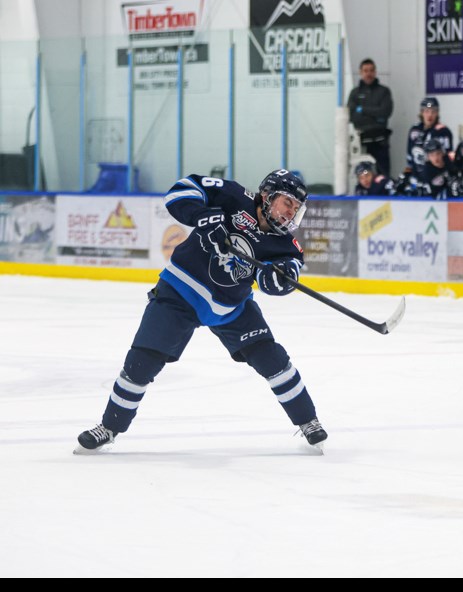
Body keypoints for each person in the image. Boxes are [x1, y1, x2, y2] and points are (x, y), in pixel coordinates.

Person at [75, 170, 327, 453]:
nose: (290, 213)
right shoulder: (233, 196)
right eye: (287, 203)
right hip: (180, 292)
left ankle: (309, 421)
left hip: (230, 307)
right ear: (267, 197)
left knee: (273, 360)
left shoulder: (287, 246)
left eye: (296, 208)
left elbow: (285, 276)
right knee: (140, 363)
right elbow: (180, 191)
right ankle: (108, 428)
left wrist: (275, 279)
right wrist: (202, 216)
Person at [348, 58, 394, 177]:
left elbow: (385, 112)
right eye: (365, 70)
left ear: (375, 72)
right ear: (361, 72)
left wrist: (362, 110)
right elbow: (352, 117)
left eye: (371, 70)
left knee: (383, 178)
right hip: (361, 144)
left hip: (380, 143)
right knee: (364, 179)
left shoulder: (384, 91)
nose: (368, 73)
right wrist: (375, 116)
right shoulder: (355, 93)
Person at [405, 97, 454, 183]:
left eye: (433, 111)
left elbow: (447, 157)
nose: (430, 115)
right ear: (422, 113)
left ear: (437, 113)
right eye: (427, 111)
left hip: (435, 176)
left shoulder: (443, 131)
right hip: (416, 176)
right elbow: (410, 154)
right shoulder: (414, 129)